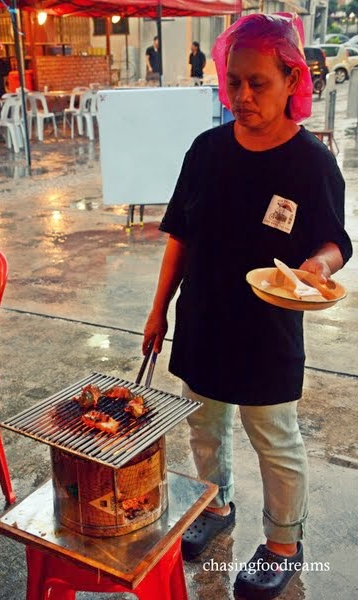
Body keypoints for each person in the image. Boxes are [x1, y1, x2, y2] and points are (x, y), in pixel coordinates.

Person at [142, 13, 351, 599]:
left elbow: (337, 241)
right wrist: (159, 313)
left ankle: (285, 543)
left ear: (292, 79)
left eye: (258, 82)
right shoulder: (206, 150)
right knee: (205, 425)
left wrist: (317, 268)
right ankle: (214, 505)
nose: (243, 95)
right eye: (234, 81)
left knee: (273, 435)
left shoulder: (310, 162)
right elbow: (179, 235)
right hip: (204, 318)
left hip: (268, 326)